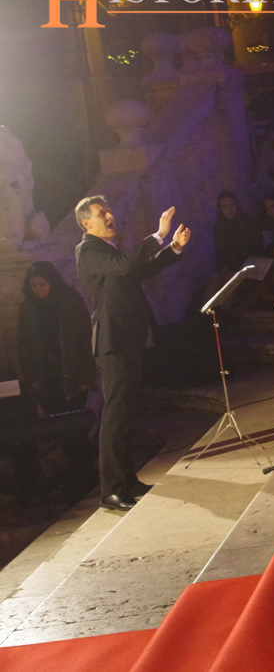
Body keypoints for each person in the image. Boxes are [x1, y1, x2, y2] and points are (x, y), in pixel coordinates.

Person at [74, 197, 189, 509]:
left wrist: (174, 248)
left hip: (127, 339)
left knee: (126, 414)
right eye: (102, 213)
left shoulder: (109, 251)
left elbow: (141, 269)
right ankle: (111, 490)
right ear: (87, 223)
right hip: (111, 344)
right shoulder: (88, 250)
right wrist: (158, 235)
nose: (110, 215)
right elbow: (125, 265)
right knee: (114, 417)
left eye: (109, 210)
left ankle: (127, 479)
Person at [17, 261, 98, 493]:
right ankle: (78, 473)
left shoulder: (70, 301)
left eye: (42, 284)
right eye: (33, 285)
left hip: (71, 375)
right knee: (61, 429)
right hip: (47, 377)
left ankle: (88, 473)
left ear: (52, 282)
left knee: (76, 427)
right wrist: (29, 377)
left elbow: (85, 338)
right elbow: (23, 344)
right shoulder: (28, 307)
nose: (38, 289)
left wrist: (86, 376)